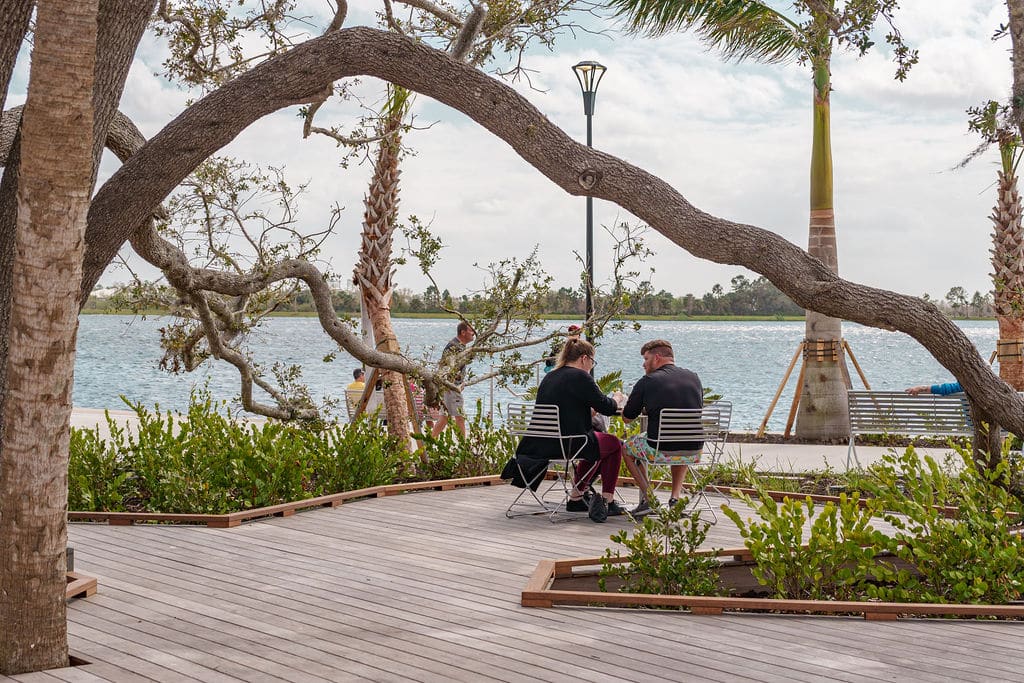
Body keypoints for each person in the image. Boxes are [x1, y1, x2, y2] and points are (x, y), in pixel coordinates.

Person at [514, 338, 642, 521]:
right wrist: (618, 397)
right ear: (584, 358)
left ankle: (576, 498)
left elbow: (564, 408)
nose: (591, 366)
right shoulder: (580, 377)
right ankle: (608, 500)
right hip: (569, 443)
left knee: (596, 443)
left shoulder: (551, 376)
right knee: (613, 444)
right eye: (592, 361)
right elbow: (606, 406)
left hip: (541, 443)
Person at [621, 339, 704, 516]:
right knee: (679, 437)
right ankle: (675, 498)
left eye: (645, 359)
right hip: (694, 449)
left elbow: (628, 418)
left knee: (627, 448)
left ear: (657, 357)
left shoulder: (648, 381)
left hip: (660, 448)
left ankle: (649, 499)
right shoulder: (694, 377)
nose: (643, 364)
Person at [431, 321, 476, 438]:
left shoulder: (460, 346)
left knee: (444, 417)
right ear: (463, 332)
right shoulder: (453, 346)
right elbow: (447, 368)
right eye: (471, 331)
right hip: (450, 387)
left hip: (449, 387)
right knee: (459, 417)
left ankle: (429, 443)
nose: (474, 333)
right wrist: (455, 385)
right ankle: (464, 447)